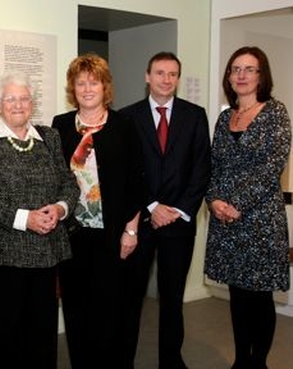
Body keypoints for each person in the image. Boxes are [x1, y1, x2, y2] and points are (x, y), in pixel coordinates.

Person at [0, 70, 79, 369]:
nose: (18, 104)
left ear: (32, 103)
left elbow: (69, 184)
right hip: (4, 258)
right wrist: (25, 219)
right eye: (10, 99)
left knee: (42, 338)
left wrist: (60, 209)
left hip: (47, 256)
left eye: (24, 98)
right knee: (6, 338)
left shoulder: (49, 136)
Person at [52, 54, 144, 368]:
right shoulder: (60, 125)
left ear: (105, 87)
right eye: (81, 83)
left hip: (113, 233)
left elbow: (137, 180)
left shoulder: (124, 126)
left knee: (110, 309)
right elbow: (53, 178)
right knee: (76, 309)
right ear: (72, 88)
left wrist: (131, 230)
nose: (87, 88)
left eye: (94, 82)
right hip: (72, 234)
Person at [120, 51, 211, 369]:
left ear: (178, 78)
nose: (166, 79)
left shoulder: (195, 114)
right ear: (147, 76)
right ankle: (124, 359)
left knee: (172, 300)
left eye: (172, 74)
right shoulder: (126, 117)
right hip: (139, 222)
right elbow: (126, 172)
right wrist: (153, 206)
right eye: (160, 73)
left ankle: (171, 360)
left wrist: (179, 210)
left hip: (179, 223)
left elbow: (202, 168)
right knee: (131, 298)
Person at [205, 46, 291, 369]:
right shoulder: (225, 117)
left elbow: (272, 166)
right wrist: (213, 200)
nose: (241, 75)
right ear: (229, 76)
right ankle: (241, 360)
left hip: (260, 221)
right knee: (237, 296)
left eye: (249, 69)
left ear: (261, 75)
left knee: (259, 297)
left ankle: (258, 363)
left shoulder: (275, 113)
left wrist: (237, 204)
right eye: (235, 69)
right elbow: (212, 166)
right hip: (225, 221)